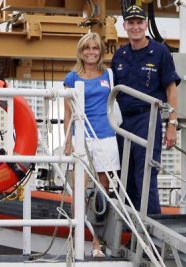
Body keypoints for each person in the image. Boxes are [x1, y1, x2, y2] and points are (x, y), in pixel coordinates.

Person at [111, 5, 180, 215]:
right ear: (124, 26)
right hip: (123, 123)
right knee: (126, 175)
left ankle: (152, 227)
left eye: (139, 23)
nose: (135, 27)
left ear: (146, 24)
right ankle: (131, 228)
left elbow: (171, 89)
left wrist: (172, 125)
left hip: (147, 119)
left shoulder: (160, 52)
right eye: (131, 23)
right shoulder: (119, 56)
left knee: (146, 173)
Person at [63, 32, 120, 257]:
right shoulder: (72, 77)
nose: (91, 52)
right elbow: (67, 111)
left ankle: (97, 244)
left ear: (101, 51)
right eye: (87, 48)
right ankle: (76, 241)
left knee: (102, 192)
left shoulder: (109, 74)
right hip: (81, 137)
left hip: (106, 136)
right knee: (78, 190)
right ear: (81, 51)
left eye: (95, 48)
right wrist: (67, 140)